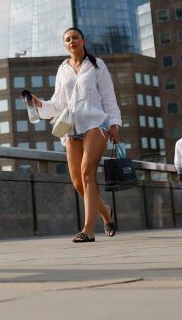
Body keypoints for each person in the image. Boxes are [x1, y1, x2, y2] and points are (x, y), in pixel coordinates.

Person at [30, 27, 122, 242]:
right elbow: (58, 102)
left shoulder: (97, 65)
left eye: (75, 38)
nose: (72, 42)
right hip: (70, 125)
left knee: (87, 172)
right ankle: (106, 211)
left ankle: (88, 230)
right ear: (65, 45)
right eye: (68, 39)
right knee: (78, 182)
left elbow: (108, 97)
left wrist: (115, 124)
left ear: (83, 40)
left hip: (95, 122)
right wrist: (40, 104)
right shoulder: (62, 69)